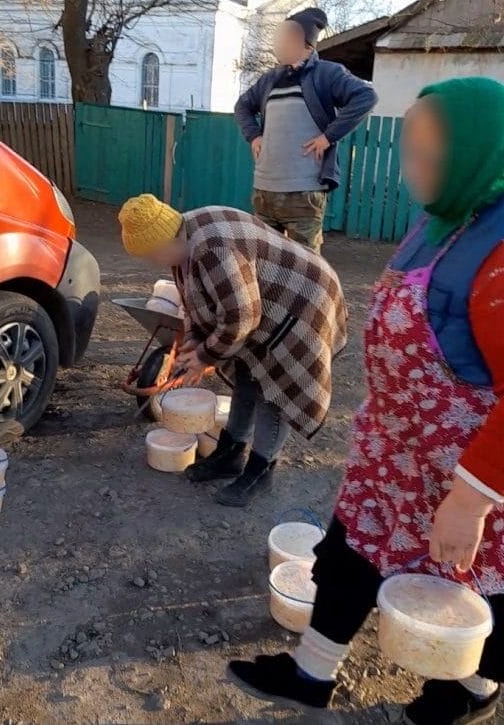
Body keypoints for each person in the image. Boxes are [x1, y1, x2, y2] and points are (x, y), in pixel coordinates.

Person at [227, 76, 504, 724]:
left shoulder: (499, 252)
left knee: (475, 598)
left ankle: (467, 691)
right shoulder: (439, 223)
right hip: (394, 454)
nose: (411, 169)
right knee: (351, 552)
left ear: (480, 154)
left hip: (470, 476)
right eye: (408, 149)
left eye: (427, 156)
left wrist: (470, 498)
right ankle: (311, 674)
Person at [118, 194, 347, 507]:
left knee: (274, 390)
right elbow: (195, 301)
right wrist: (195, 342)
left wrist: (203, 356)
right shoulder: (183, 237)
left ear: (165, 240)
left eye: (152, 255)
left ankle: (260, 470)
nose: (152, 262)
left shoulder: (214, 250)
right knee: (246, 373)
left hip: (303, 303)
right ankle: (231, 454)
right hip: (264, 303)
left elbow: (241, 318)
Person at [234, 7, 377, 254]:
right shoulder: (270, 79)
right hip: (265, 190)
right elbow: (242, 106)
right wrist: (254, 135)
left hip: (303, 191)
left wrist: (328, 137)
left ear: (307, 44)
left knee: (306, 267)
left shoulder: (327, 74)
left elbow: (366, 96)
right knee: (264, 262)